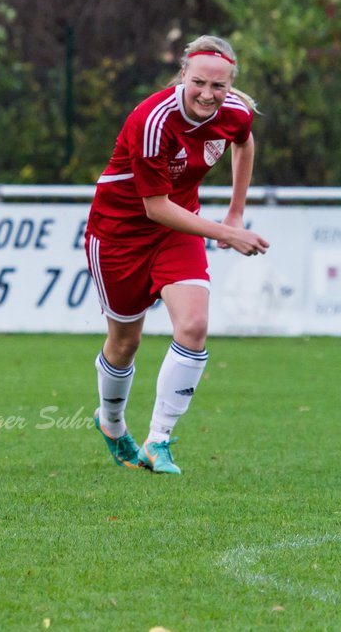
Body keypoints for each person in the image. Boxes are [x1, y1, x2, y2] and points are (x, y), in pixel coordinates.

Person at [86, 34, 270, 474]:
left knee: (194, 325)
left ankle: (158, 440)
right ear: (183, 74)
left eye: (219, 86)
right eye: (200, 83)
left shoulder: (236, 112)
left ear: (230, 86)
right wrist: (225, 231)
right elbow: (155, 207)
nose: (209, 94)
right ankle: (111, 424)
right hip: (119, 236)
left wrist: (237, 211)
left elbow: (244, 143)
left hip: (177, 230)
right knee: (125, 342)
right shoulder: (152, 119)